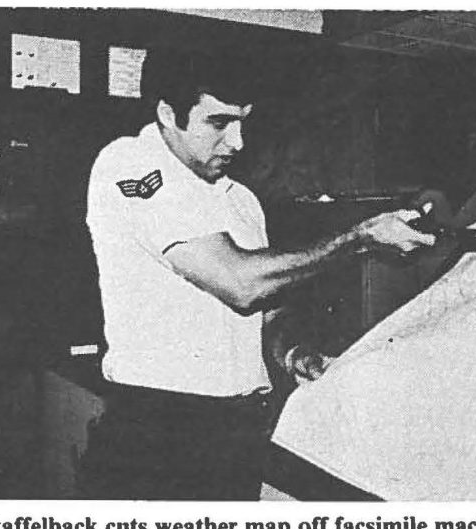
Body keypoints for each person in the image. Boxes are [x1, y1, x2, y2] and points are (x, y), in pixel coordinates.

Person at [78, 49, 435, 500]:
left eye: (244, 122)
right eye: (219, 123)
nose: (238, 143)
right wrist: (358, 238)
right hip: (158, 428)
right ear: (168, 113)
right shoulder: (129, 164)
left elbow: (267, 311)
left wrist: (292, 353)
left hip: (235, 430)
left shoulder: (241, 200)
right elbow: (241, 284)